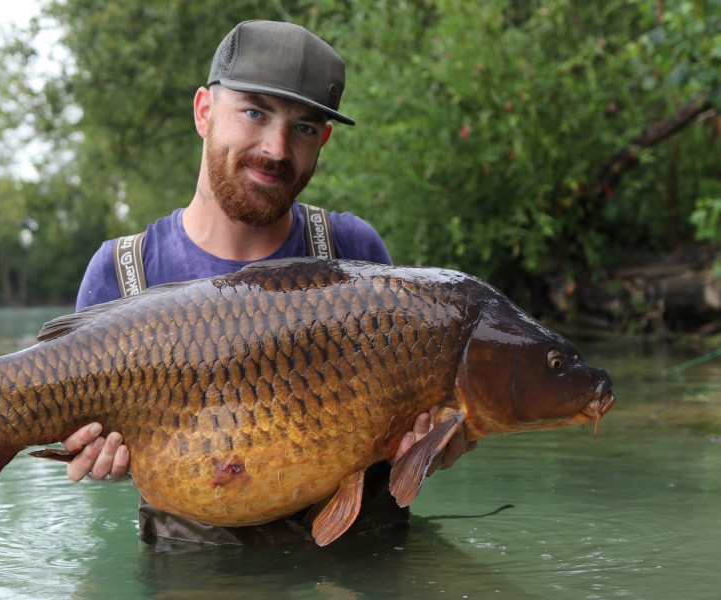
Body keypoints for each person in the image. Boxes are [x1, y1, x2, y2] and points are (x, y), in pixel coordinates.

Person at [62, 20, 473, 545]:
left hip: (364, 555)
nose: (277, 149)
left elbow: (415, 429)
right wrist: (93, 455)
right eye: (255, 112)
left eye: (303, 127)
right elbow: (77, 447)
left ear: (323, 139)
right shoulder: (121, 273)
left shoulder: (353, 251)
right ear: (204, 112)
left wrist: (433, 448)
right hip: (199, 568)